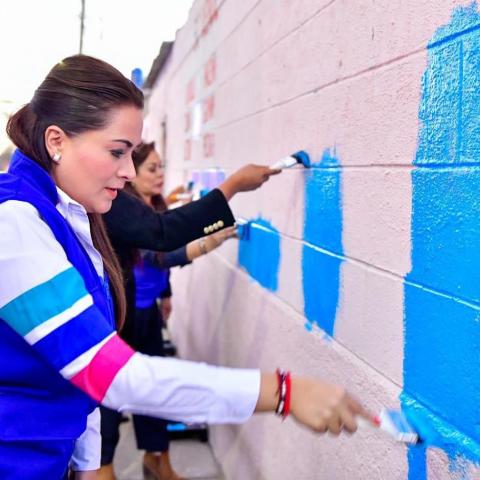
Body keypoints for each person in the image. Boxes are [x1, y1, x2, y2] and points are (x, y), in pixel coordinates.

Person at [0, 54, 374, 480]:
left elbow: (79, 375)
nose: (128, 172)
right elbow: (112, 377)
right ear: (56, 141)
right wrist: (281, 392)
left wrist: (87, 465)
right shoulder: (15, 224)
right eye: (117, 152)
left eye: (134, 155)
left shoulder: (69, 213)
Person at [100, 142, 237, 480]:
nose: (159, 175)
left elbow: (162, 263)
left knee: (152, 391)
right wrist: (211, 240)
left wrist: (167, 293)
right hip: (125, 316)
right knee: (114, 396)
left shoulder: (154, 206)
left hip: (147, 312)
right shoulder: (124, 213)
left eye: (161, 167)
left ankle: (157, 460)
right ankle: (104, 466)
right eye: (152, 169)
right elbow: (160, 253)